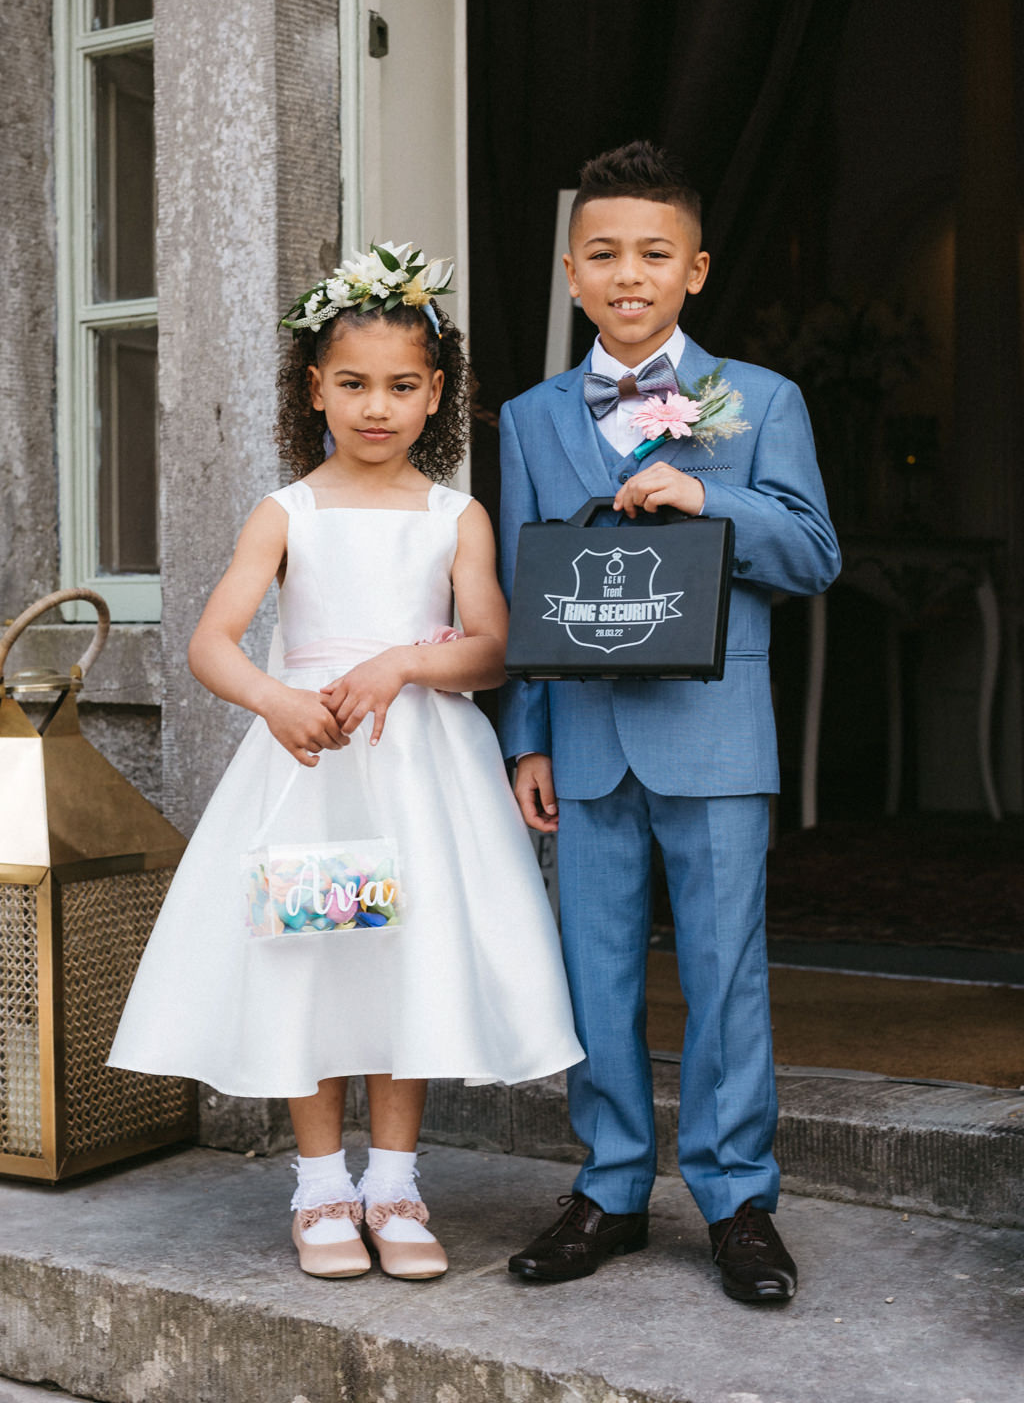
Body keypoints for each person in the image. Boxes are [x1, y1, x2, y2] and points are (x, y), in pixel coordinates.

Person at [110, 242, 583, 1282]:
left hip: (421, 778)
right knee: (316, 955)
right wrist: (276, 697)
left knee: (399, 962)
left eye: (403, 386)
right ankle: (321, 1187)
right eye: (355, 383)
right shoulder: (289, 511)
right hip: (313, 775)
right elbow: (211, 641)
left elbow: (494, 648)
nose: (378, 406)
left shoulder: (454, 516)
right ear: (315, 387)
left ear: (437, 394)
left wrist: (406, 662)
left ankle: (396, 1182)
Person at [499, 142, 840, 1300]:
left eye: (652, 253)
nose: (627, 274)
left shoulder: (760, 401)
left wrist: (712, 494)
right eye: (603, 254)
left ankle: (738, 1201)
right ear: (571, 270)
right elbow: (520, 580)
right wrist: (526, 735)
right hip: (585, 740)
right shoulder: (530, 417)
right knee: (591, 976)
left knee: (723, 971)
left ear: (695, 268)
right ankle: (608, 1190)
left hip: (714, 734)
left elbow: (813, 554)